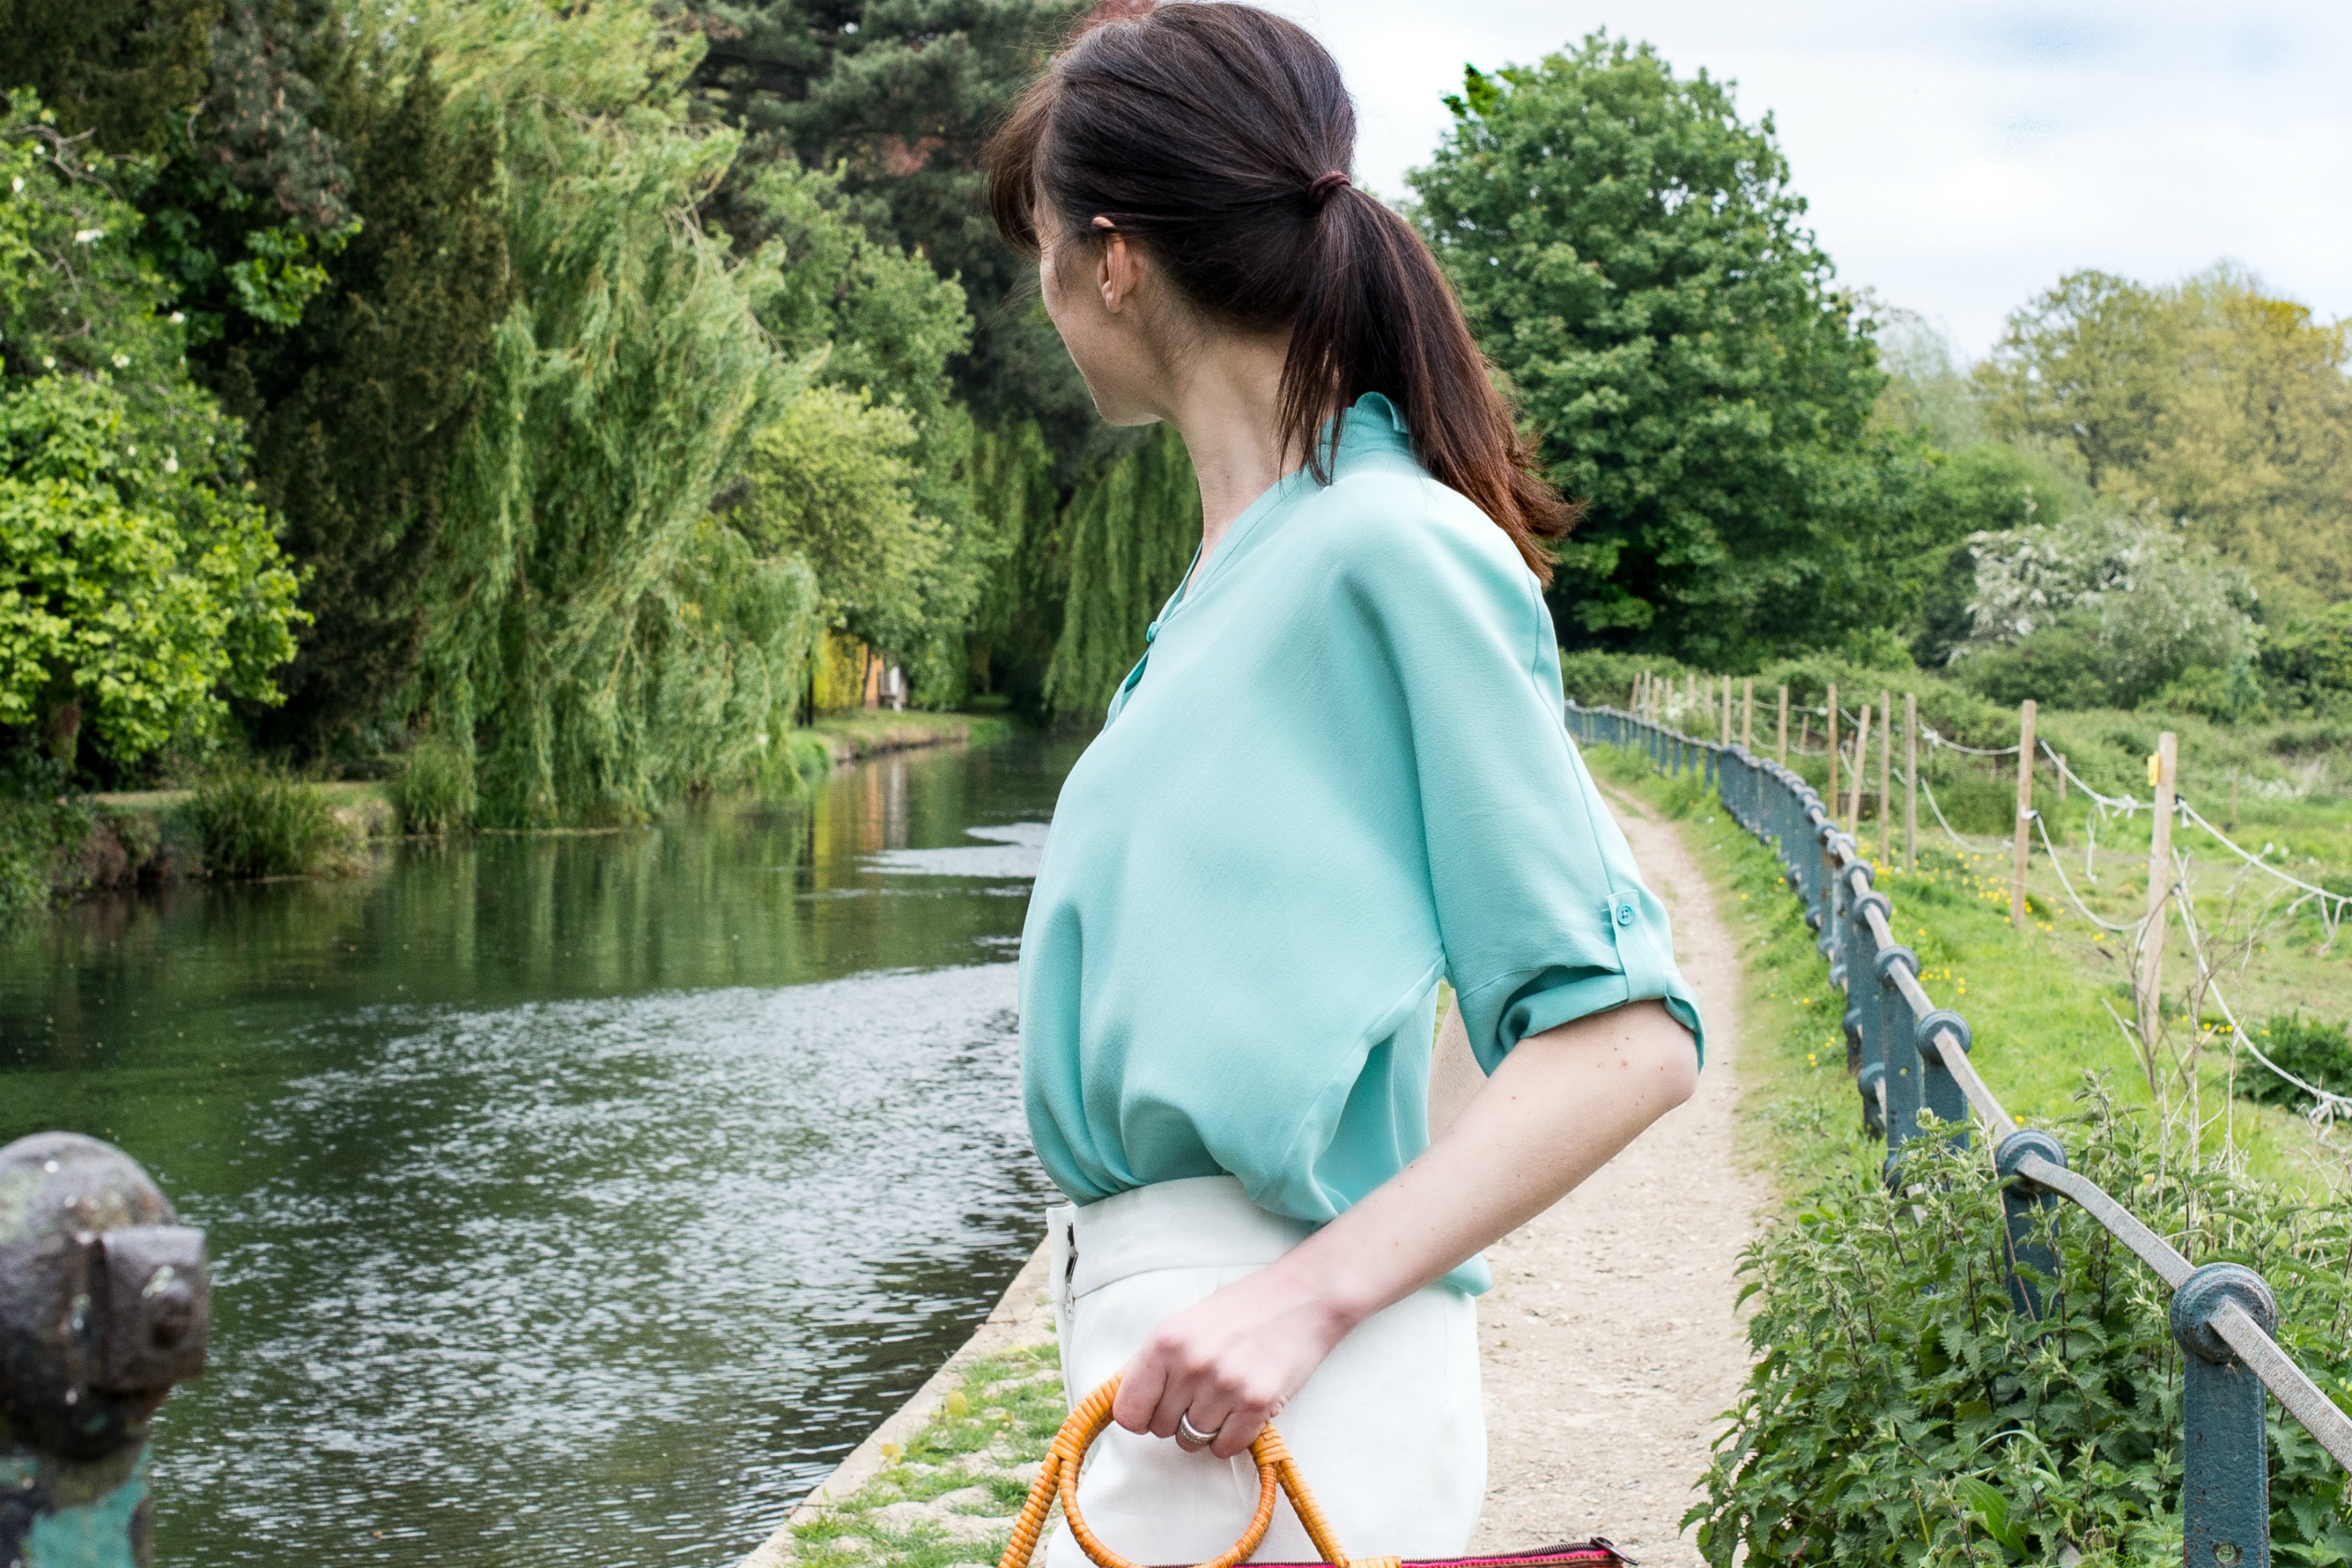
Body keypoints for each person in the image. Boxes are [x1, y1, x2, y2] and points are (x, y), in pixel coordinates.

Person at [989, 6, 1704, 1563]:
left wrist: (1304, 1293)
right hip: (1178, 1379)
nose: (1038, 294)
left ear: (1112, 257)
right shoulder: (1234, 586)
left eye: (1037, 246)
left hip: (1268, 1386)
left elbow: (1626, 1035)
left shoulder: (1386, 548)